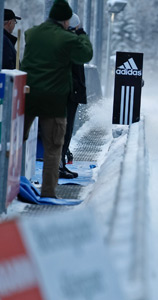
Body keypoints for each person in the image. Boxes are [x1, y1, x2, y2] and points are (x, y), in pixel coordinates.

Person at [21, 0, 93, 199]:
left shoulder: (32, 33)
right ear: (66, 22)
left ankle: (9, 183)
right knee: (54, 147)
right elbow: (87, 54)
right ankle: (48, 193)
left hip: (28, 94)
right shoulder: (67, 38)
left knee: (18, 141)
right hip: (54, 99)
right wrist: (81, 34)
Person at [59, 13, 88, 179]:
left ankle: (59, 163)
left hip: (66, 92)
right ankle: (59, 166)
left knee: (63, 130)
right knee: (64, 130)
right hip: (68, 94)